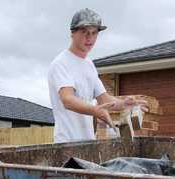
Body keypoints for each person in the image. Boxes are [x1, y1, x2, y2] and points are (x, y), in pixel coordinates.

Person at [48, 8, 147, 143]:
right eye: (85, 32)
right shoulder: (61, 63)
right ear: (72, 33)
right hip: (66, 143)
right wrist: (95, 110)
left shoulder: (89, 65)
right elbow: (68, 100)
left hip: (88, 143)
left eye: (94, 33)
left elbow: (104, 100)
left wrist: (124, 104)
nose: (90, 38)